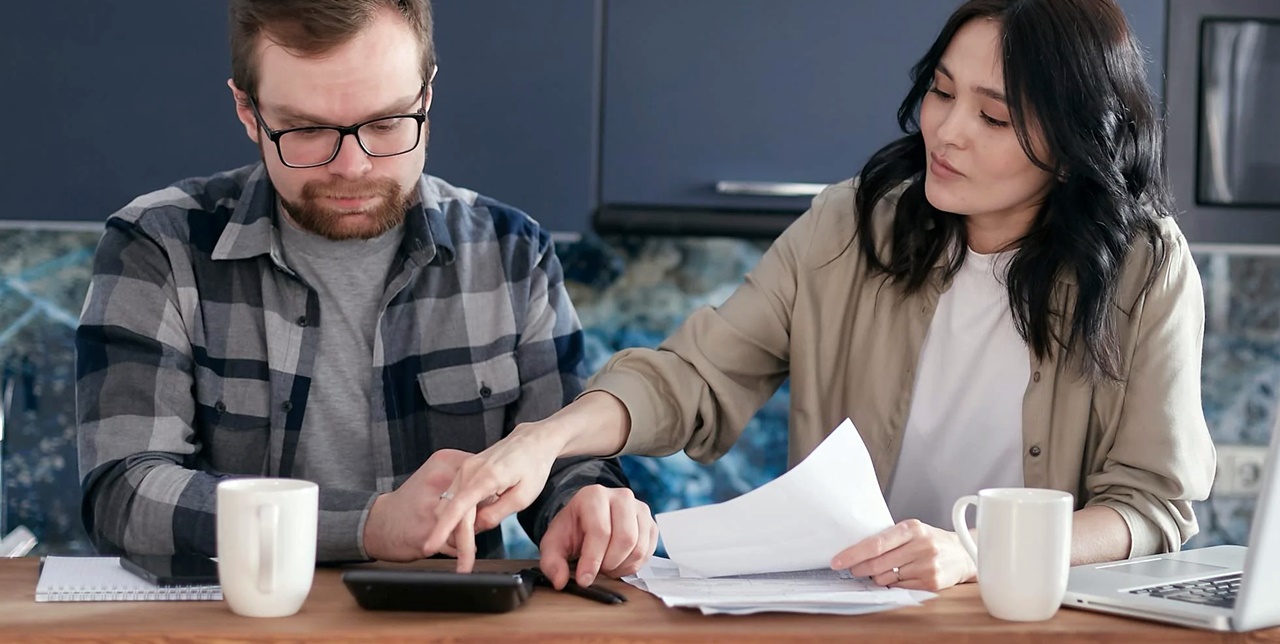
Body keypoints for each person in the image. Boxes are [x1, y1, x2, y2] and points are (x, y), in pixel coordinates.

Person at [424, 0, 1217, 591]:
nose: (946, 131)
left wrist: (980, 552)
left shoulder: (1145, 270)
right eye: (942, 92)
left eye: (995, 116)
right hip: (853, 614)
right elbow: (694, 379)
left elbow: (1151, 506)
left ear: (1077, 148)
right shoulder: (851, 223)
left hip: (1023, 622)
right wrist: (545, 441)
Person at [75, 0, 657, 588]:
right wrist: (369, 525)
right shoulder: (159, 245)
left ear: (426, 99)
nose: (352, 166)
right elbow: (124, 492)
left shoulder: (511, 252)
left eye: (385, 125)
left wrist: (585, 505)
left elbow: (560, 458)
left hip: (451, 627)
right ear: (248, 112)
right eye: (306, 130)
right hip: (240, 625)